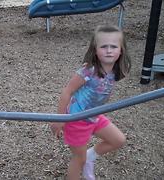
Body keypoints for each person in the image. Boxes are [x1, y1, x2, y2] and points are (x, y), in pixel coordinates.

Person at [50, 25, 131, 180]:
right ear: (95, 49)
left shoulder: (114, 71)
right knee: (79, 159)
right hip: (76, 119)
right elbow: (67, 91)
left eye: (113, 46)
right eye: (104, 46)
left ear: (121, 50)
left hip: (94, 116)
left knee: (118, 140)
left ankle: (91, 156)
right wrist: (59, 120)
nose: (109, 50)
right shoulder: (88, 71)